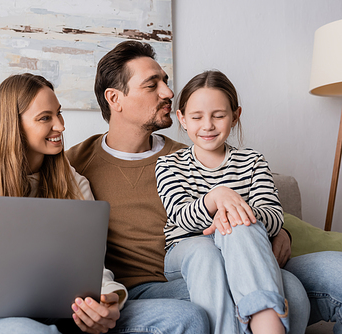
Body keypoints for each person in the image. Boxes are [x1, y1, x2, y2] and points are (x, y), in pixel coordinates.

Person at [0, 73, 210, 334]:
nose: (61, 126)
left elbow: (92, 266)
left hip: (62, 312)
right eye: (45, 118)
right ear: (14, 125)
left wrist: (106, 302)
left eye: (59, 113)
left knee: (188, 317)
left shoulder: (74, 182)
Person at [65, 40, 319, 334]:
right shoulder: (75, 164)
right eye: (152, 85)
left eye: (166, 81)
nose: (168, 93)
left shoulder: (189, 155)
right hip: (136, 290)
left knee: (294, 291)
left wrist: (279, 231)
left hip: (201, 268)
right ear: (115, 98)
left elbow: (232, 211)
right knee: (218, 263)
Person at [155, 70, 288, 333]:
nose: (208, 125)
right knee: (206, 250)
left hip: (242, 246)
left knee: (239, 226)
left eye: (219, 115)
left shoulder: (253, 161)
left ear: (235, 116)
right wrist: (216, 197)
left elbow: (273, 217)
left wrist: (235, 213)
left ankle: (266, 323)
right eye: (196, 117)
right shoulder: (169, 164)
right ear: (181, 119)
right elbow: (180, 216)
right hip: (186, 251)